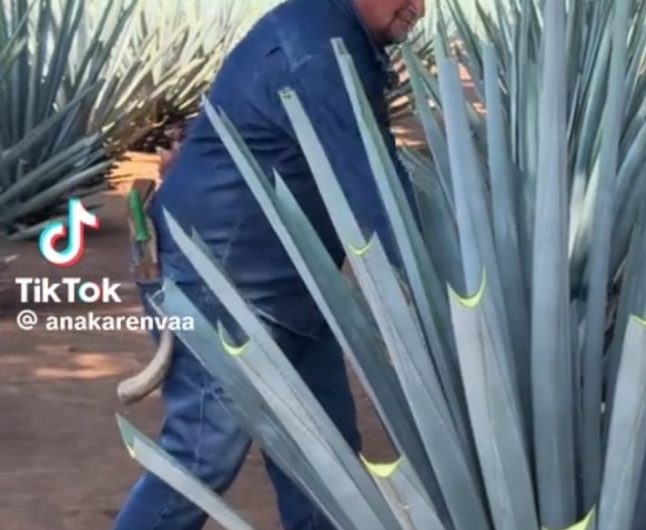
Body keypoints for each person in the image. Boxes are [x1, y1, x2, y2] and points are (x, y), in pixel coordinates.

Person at [111, 0, 424, 529]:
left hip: (298, 285)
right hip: (220, 283)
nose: (420, 8)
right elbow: (372, 191)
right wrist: (440, 301)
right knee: (201, 457)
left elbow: (376, 171)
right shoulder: (317, 52)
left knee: (326, 459)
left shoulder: (340, 37)